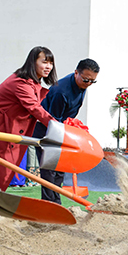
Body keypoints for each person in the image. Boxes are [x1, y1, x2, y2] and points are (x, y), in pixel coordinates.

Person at [0, 46, 58, 221]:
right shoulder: (20, 83)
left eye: (51, 63)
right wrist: (58, 127)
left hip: (7, 129)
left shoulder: (33, 83)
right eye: (44, 62)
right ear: (33, 62)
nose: (48, 67)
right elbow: (34, 108)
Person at [33, 59, 100, 204]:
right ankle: (50, 204)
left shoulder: (82, 84)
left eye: (92, 81)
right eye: (86, 80)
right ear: (76, 73)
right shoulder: (61, 91)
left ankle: (56, 201)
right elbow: (52, 121)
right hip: (46, 128)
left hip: (61, 127)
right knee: (49, 168)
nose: (88, 83)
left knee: (61, 167)